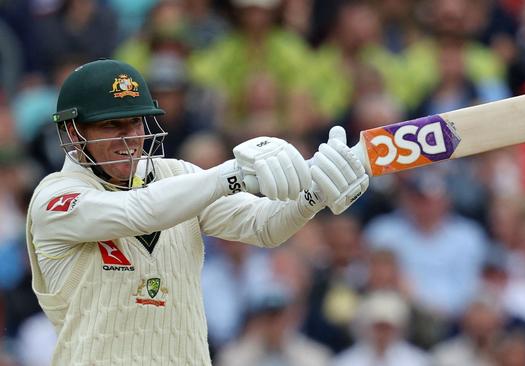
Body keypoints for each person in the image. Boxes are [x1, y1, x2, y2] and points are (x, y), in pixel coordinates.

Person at [24, 59, 369, 364]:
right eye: (111, 125)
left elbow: (264, 226)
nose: (130, 139)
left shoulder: (179, 176)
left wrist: (313, 195)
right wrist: (232, 174)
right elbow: (138, 211)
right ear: (73, 131)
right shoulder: (54, 199)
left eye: (136, 123)